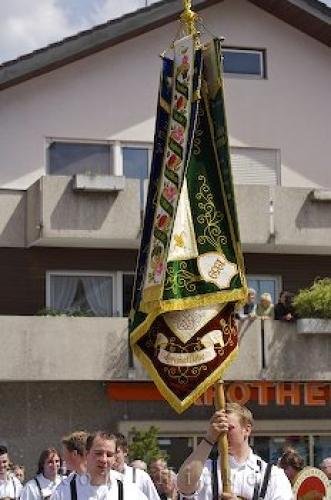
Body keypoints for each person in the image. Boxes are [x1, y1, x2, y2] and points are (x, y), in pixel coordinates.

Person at [176, 403, 292, 499]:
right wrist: (209, 438)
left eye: (229, 428)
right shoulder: (204, 470)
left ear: (246, 429)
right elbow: (183, 487)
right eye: (219, 428)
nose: (223, 433)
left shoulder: (272, 475)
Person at [52, 431, 147, 499]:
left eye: (109, 455)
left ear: (114, 458)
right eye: (98, 453)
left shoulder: (130, 491)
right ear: (86, 454)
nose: (104, 459)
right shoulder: (64, 491)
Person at [113, 433, 160, 500]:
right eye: (110, 453)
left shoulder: (140, 477)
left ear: (125, 451)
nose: (112, 456)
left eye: (116, 452)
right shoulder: (100, 478)